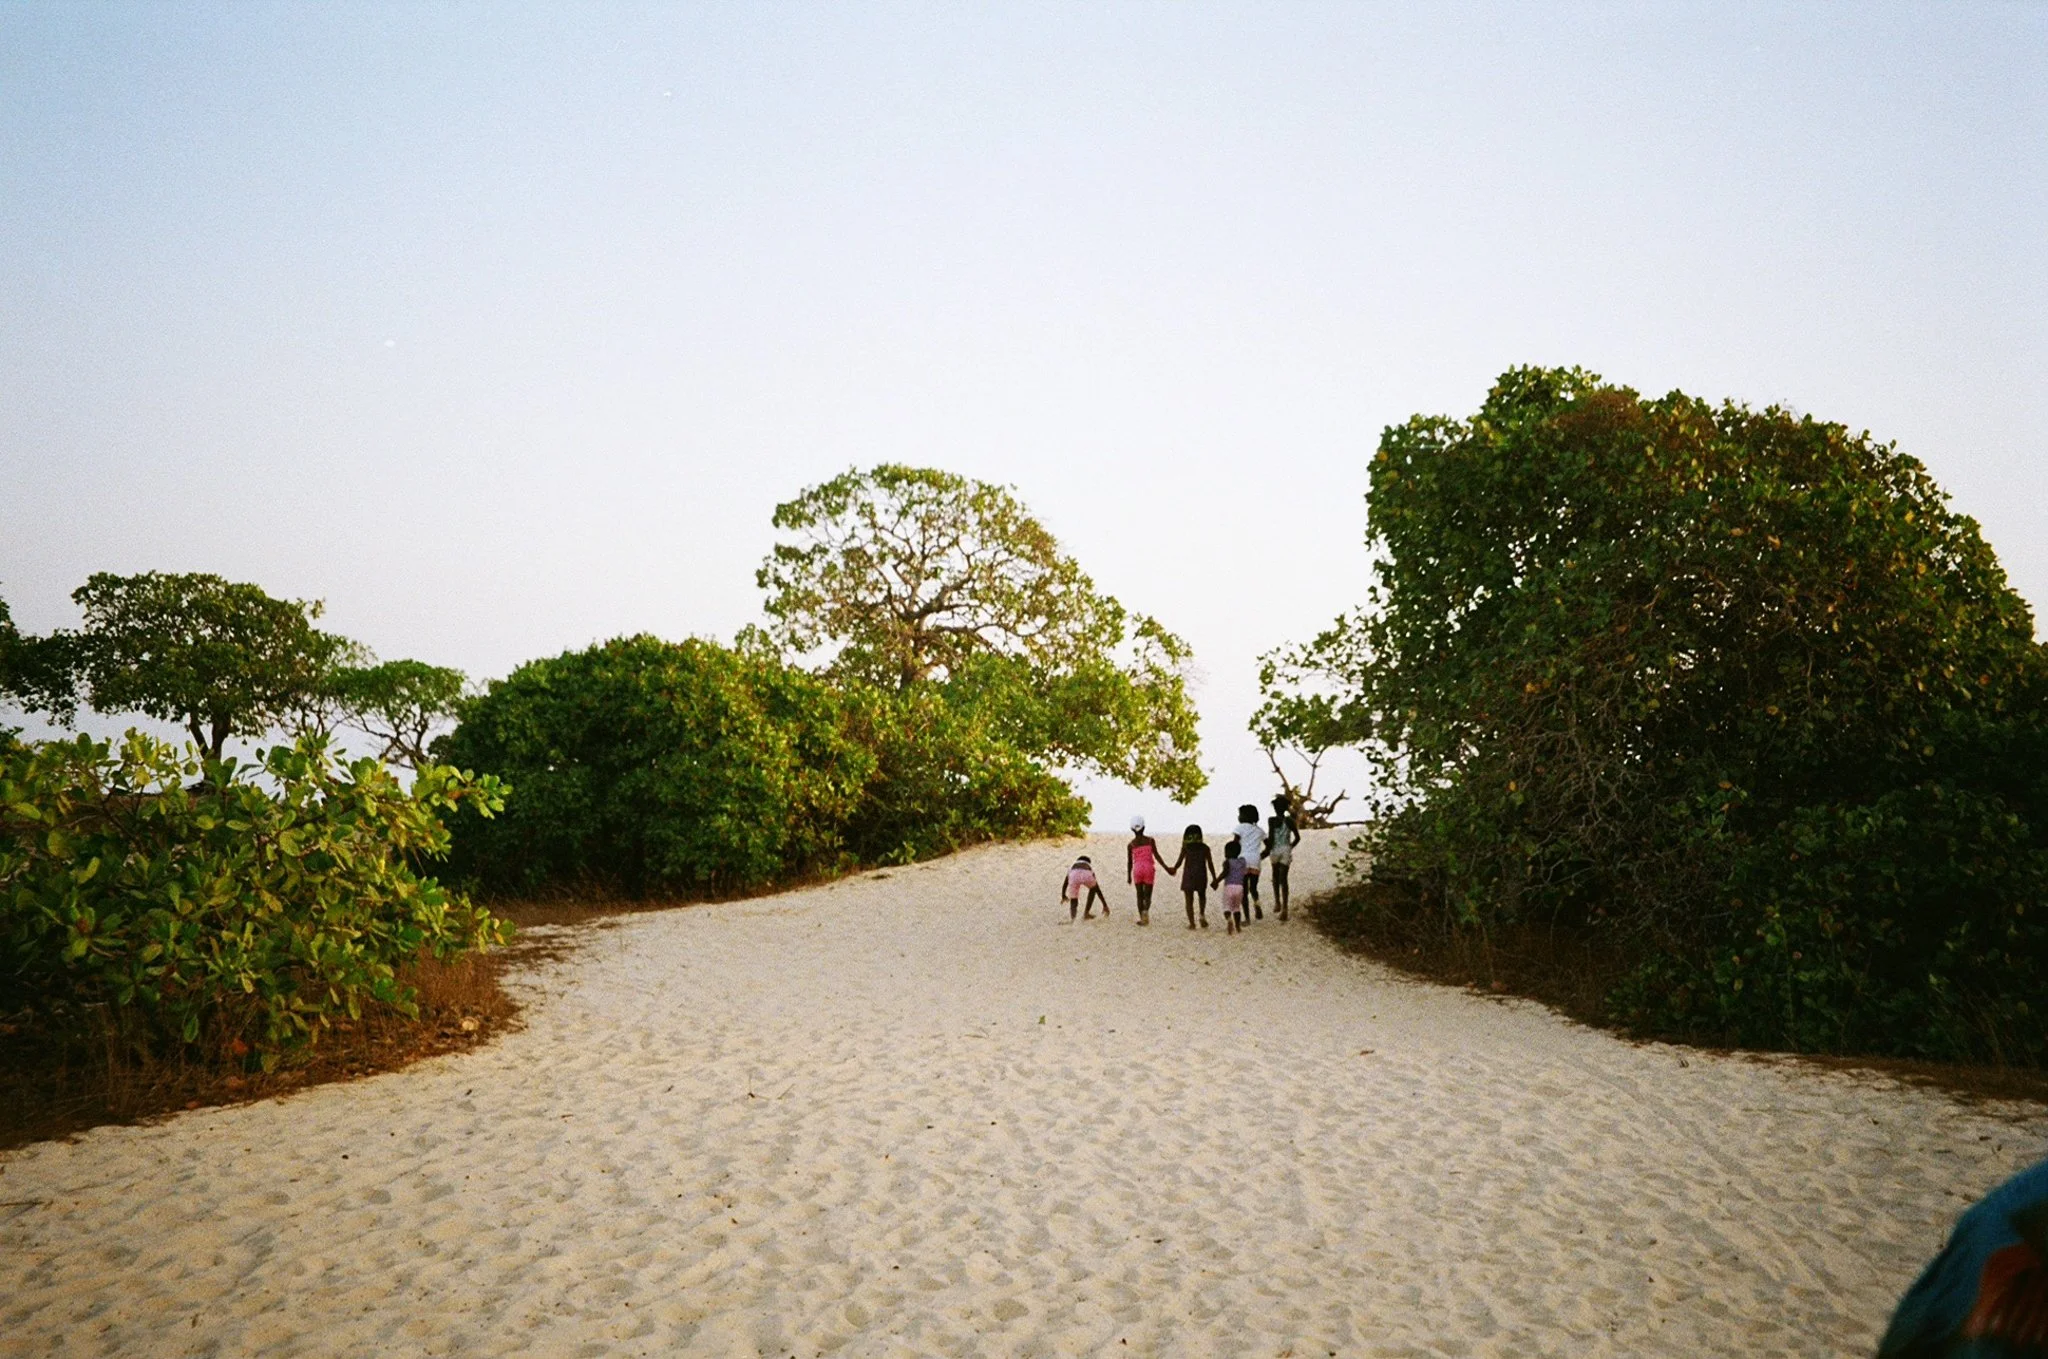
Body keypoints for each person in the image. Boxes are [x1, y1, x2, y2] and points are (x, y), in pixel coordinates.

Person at [1158, 825, 1214, 929]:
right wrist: (1214, 878)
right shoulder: (1205, 848)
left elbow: (1179, 862)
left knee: (1189, 900)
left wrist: (1173, 869)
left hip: (1189, 876)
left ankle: (1192, 923)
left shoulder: (1186, 848)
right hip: (1201, 875)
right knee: (1202, 896)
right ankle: (1202, 914)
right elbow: (1210, 864)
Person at [1266, 794, 1303, 921]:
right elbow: (1297, 838)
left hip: (1275, 850)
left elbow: (1271, 838)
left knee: (1275, 876)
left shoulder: (1271, 821)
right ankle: (1285, 908)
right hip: (1286, 849)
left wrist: (1265, 851)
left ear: (1275, 809)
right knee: (1284, 879)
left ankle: (1277, 902)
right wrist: (1290, 847)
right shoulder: (1290, 821)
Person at [1233, 805, 1267, 921]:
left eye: (1240, 814)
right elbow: (1269, 845)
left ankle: (1247, 918)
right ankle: (1257, 905)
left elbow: (1235, 844)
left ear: (1244, 816)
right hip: (1255, 859)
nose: (1238, 816)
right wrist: (1261, 856)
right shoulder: (1259, 830)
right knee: (1253, 888)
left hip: (1243, 859)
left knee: (1244, 890)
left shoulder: (1240, 828)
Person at [1127, 816, 1159, 926]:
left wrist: (1128, 876)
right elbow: (1157, 856)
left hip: (1137, 869)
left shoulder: (1131, 844)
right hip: (1149, 868)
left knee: (1139, 895)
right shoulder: (1150, 841)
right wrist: (1167, 867)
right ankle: (1146, 911)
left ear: (1131, 829)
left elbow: (1130, 862)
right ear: (1144, 827)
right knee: (1148, 895)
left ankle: (1142, 918)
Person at [1215, 836, 1248, 934]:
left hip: (1229, 887)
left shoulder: (1227, 862)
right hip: (1240, 887)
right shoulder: (1242, 861)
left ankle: (1229, 919)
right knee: (1237, 908)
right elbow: (1244, 874)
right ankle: (1238, 926)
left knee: (1227, 907)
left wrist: (1216, 881)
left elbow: (1225, 873)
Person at [1061, 854, 1107, 921]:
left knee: (1074, 899)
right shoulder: (1089, 866)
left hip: (1074, 875)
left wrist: (1063, 895)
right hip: (1087, 874)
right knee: (1093, 889)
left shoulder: (1072, 866)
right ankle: (1086, 913)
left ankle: (1073, 919)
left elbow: (1065, 883)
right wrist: (1104, 905)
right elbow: (1098, 889)